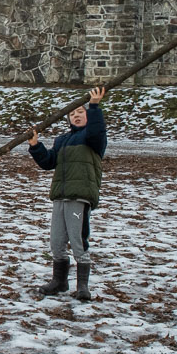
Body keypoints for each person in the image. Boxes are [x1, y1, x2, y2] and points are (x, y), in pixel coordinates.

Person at [27, 86, 107, 301]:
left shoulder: (93, 139)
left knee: (78, 241)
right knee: (57, 241)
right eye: (73, 114)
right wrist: (36, 146)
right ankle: (60, 281)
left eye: (80, 112)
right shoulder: (62, 140)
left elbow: (97, 130)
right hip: (60, 196)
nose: (77, 116)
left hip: (79, 197)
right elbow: (48, 162)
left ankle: (82, 287)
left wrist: (94, 107)